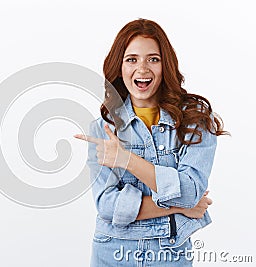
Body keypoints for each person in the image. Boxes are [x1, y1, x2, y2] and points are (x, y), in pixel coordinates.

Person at [74, 18, 227, 266]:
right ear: (119, 67)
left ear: (165, 65)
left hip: (170, 254)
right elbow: (108, 207)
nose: (142, 68)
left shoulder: (194, 120)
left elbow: (190, 191)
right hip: (112, 252)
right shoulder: (102, 129)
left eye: (153, 59)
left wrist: (126, 160)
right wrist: (177, 207)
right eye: (132, 59)